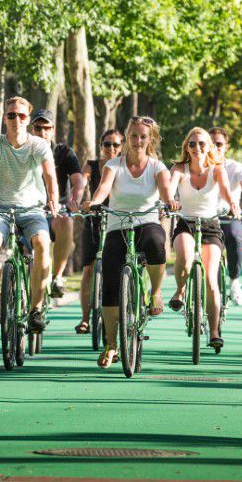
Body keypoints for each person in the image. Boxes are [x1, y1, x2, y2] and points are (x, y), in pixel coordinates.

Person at [82, 115, 178, 368]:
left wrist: (169, 202)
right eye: (133, 136)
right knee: (110, 283)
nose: (137, 140)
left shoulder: (158, 167)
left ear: (150, 140)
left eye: (143, 136)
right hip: (118, 226)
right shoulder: (114, 165)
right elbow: (103, 188)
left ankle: (155, 294)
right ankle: (111, 345)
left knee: (157, 242)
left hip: (146, 222)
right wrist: (94, 202)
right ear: (127, 138)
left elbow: (166, 191)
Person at [0, 97, 59, 334]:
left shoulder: (38, 145)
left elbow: (50, 175)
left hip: (32, 210)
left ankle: (36, 309)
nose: (16, 119)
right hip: (2, 209)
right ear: (5, 118)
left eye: (21, 115)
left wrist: (53, 200)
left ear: (28, 119)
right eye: (11, 115)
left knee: (42, 244)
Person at [168, 127, 242, 350]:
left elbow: (228, 193)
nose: (197, 148)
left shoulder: (217, 170)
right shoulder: (179, 169)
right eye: (192, 144)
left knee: (211, 278)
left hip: (210, 225)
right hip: (186, 223)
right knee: (184, 254)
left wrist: (233, 205)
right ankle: (180, 290)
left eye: (202, 144)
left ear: (209, 147)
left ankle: (214, 331)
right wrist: (170, 201)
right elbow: (171, 187)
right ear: (186, 148)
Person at [29, 110, 84, 299]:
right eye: (38, 128)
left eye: (47, 128)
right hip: (28, 209)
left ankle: (57, 277)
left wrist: (74, 200)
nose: (42, 132)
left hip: (55, 211)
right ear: (31, 129)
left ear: (53, 130)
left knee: (66, 222)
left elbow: (78, 181)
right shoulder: (22, 150)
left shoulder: (64, 152)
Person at [76, 128, 123, 334]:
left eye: (115, 145)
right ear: (100, 145)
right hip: (95, 219)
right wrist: (78, 200)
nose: (111, 148)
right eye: (107, 144)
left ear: (122, 147)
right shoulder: (92, 165)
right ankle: (85, 319)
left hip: (119, 220)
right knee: (88, 269)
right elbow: (82, 182)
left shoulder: (124, 166)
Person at [209, 128, 242, 304]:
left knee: (234, 236)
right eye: (211, 143)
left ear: (226, 146)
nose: (215, 147)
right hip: (206, 216)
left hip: (230, 215)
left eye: (219, 144)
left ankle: (234, 281)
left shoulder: (235, 167)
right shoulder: (200, 165)